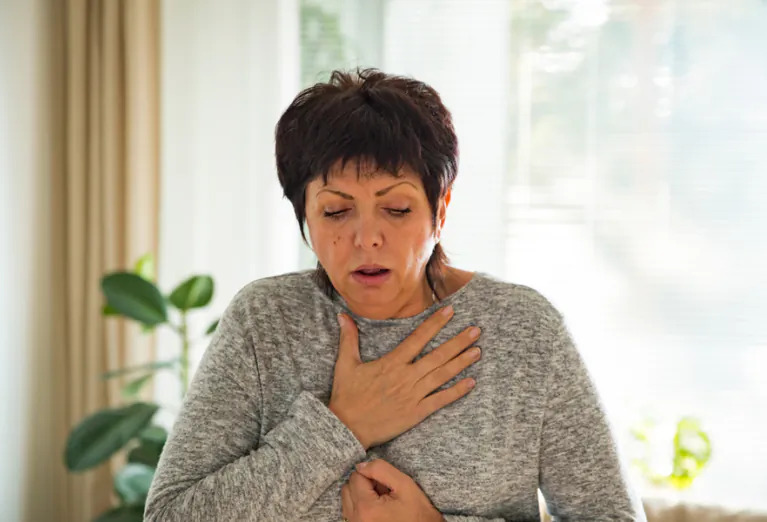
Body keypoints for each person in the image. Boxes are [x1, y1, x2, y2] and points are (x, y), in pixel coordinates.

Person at [144, 68, 646, 522]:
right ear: (304, 219)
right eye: (337, 212)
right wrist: (342, 426)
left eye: (398, 210)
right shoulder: (264, 321)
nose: (367, 239)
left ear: (440, 209)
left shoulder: (524, 330)